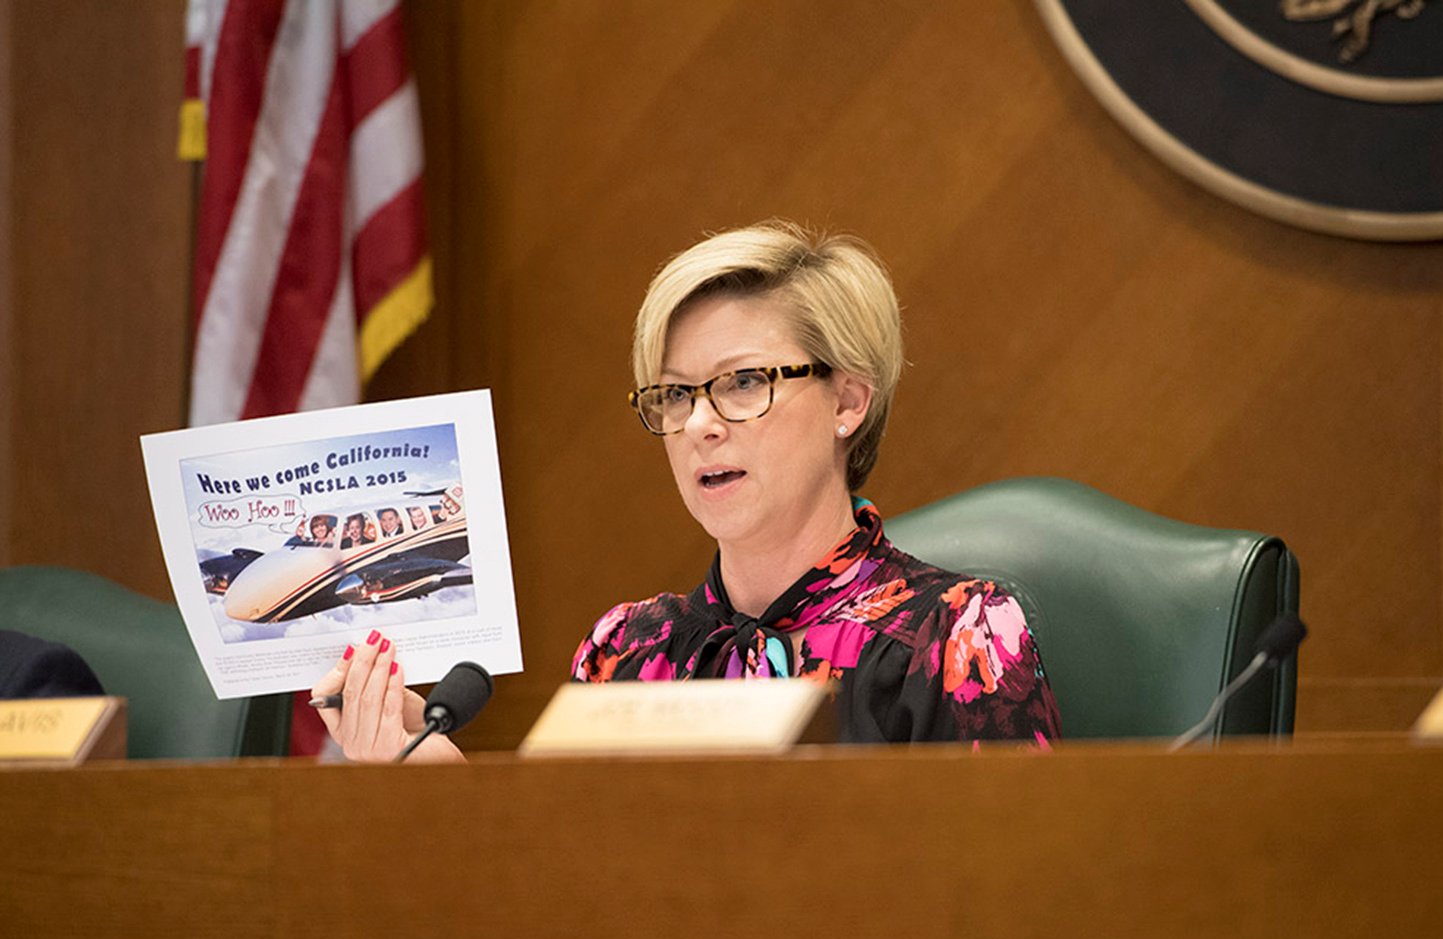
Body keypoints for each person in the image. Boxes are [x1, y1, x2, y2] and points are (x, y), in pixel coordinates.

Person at [313, 221, 1060, 762]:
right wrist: (428, 771)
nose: (699, 423)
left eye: (742, 383)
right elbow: (578, 896)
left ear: (847, 402)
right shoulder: (628, 649)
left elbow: (1003, 906)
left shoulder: (957, 633)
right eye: (673, 395)